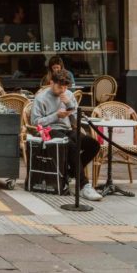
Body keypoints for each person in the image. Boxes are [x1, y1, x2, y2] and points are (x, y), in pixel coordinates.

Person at [31, 70, 102, 202]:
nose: (62, 90)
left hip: (67, 128)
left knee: (94, 144)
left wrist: (70, 105)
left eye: (65, 87)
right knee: (71, 145)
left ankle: (68, 173)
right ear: (51, 83)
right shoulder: (41, 97)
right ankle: (84, 185)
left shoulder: (69, 95)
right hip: (49, 130)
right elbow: (35, 122)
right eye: (60, 86)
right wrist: (56, 116)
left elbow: (76, 120)